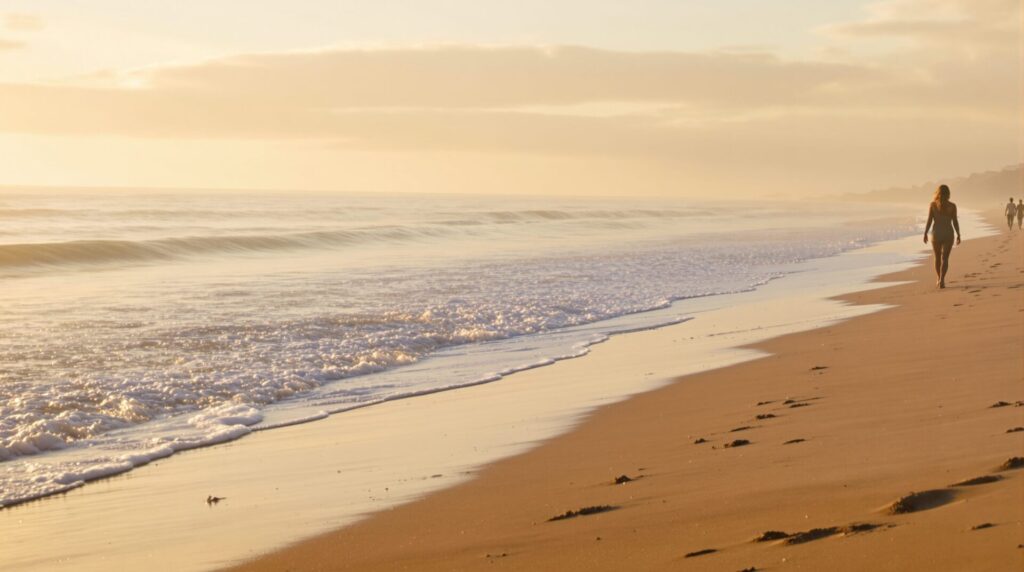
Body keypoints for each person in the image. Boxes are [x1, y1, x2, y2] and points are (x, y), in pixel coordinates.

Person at [923, 184, 960, 289]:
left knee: (937, 257)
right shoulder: (952, 206)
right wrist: (958, 234)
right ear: (948, 194)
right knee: (945, 258)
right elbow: (955, 221)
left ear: (937, 193)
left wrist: (925, 233)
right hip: (948, 233)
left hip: (936, 233)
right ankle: (942, 280)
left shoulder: (933, 205)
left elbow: (929, 220)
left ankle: (939, 278)